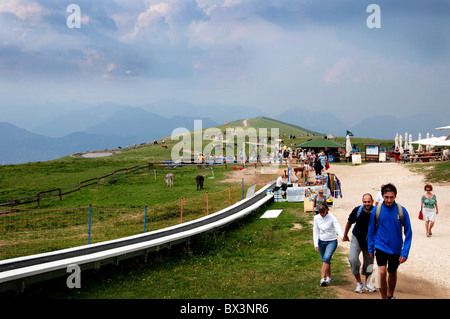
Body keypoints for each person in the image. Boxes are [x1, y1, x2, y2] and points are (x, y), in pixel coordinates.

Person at [367, 183, 412, 299]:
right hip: (380, 246)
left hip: (396, 248)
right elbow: (371, 230)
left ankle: (390, 295)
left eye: (392, 197)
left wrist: (405, 252)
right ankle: (384, 297)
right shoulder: (376, 210)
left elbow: (409, 233)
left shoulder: (402, 211)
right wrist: (370, 248)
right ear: (382, 196)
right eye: (386, 197)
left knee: (392, 273)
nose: (389, 200)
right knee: (382, 273)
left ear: (395, 196)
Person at [343, 194, 376, 294]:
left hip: (370, 241)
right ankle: (359, 283)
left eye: (369, 202)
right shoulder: (357, 210)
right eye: (365, 202)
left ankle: (367, 283)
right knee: (353, 259)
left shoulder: (376, 212)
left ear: (372, 201)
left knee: (369, 263)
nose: (367, 204)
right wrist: (345, 235)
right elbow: (349, 222)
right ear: (362, 201)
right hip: (357, 238)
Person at [313, 202, 344, 286]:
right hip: (321, 241)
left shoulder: (331, 217)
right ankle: (329, 277)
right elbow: (315, 231)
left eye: (323, 212)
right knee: (326, 261)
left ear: (326, 210)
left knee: (326, 258)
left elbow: (337, 227)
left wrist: (342, 236)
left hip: (331, 240)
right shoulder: (316, 218)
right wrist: (316, 244)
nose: (322, 214)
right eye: (320, 212)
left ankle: (322, 279)